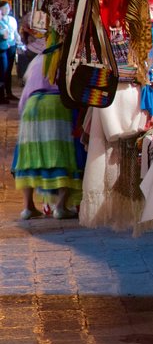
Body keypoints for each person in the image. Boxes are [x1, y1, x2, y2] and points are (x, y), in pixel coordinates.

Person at [11, 41, 83, 220]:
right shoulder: (68, 59)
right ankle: (60, 206)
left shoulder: (38, 59)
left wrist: (24, 114)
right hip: (56, 105)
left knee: (29, 156)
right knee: (61, 155)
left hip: (32, 106)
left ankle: (28, 207)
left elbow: (26, 90)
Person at [0, 0, 24, 102]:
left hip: (12, 46)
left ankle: (9, 92)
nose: (7, 9)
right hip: (2, 47)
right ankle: (1, 95)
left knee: (8, 70)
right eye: (4, 8)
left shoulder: (12, 19)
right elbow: (4, 35)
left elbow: (15, 32)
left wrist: (18, 38)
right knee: (2, 70)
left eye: (8, 7)